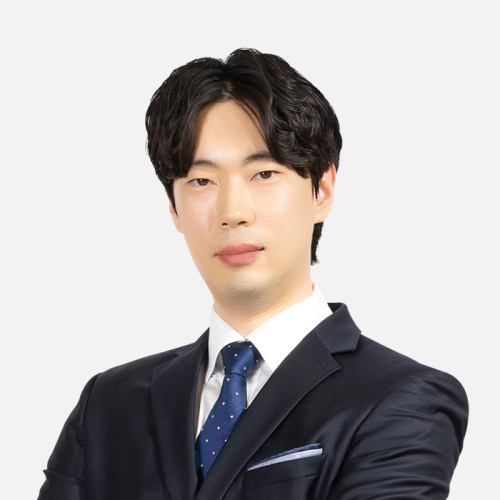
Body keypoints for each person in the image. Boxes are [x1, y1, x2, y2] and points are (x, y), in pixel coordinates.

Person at [38, 49, 468, 500]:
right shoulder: (107, 403)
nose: (233, 212)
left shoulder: (402, 397)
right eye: (201, 181)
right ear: (174, 209)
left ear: (321, 190)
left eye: (263, 173)